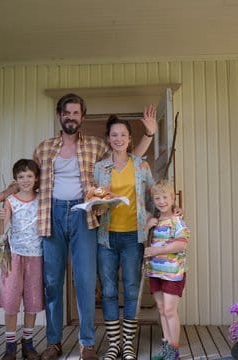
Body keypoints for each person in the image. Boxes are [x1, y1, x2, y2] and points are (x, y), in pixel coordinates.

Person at [0, 93, 156, 360]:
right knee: (52, 282)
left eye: (76, 113)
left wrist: (149, 135)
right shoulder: (43, 149)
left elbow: (127, 158)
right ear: (59, 115)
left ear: (82, 117)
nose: (71, 117)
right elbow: (25, 180)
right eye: (67, 113)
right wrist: (0, 196)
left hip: (84, 215)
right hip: (51, 214)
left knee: (85, 280)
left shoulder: (97, 146)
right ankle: (54, 342)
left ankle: (87, 343)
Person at [92, 115, 155, 360]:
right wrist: (96, 205)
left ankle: (128, 344)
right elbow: (93, 199)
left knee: (130, 289)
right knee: (107, 291)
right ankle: (113, 345)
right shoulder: (99, 167)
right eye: (114, 135)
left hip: (133, 237)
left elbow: (152, 197)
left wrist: (166, 213)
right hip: (106, 237)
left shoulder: (141, 166)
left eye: (123, 135)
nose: (119, 139)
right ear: (108, 139)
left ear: (130, 140)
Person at [0, 159, 43, 360]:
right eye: (21, 177)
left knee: (32, 300)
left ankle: (28, 343)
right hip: (13, 256)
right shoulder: (11, 200)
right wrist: (1, 217)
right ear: (15, 179)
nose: (25, 180)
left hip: (36, 256)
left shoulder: (41, 199)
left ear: (36, 178)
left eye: (29, 176)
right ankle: (10, 345)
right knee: (11, 300)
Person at [143, 180, 190, 360]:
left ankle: (174, 350)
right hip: (155, 272)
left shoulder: (176, 220)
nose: (161, 201)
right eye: (157, 198)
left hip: (172, 273)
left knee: (170, 311)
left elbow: (181, 244)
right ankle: (167, 347)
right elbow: (144, 239)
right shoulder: (154, 221)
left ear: (172, 198)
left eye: (165, 197)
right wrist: (148, 226)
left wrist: (157, 250)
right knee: (162, 309)